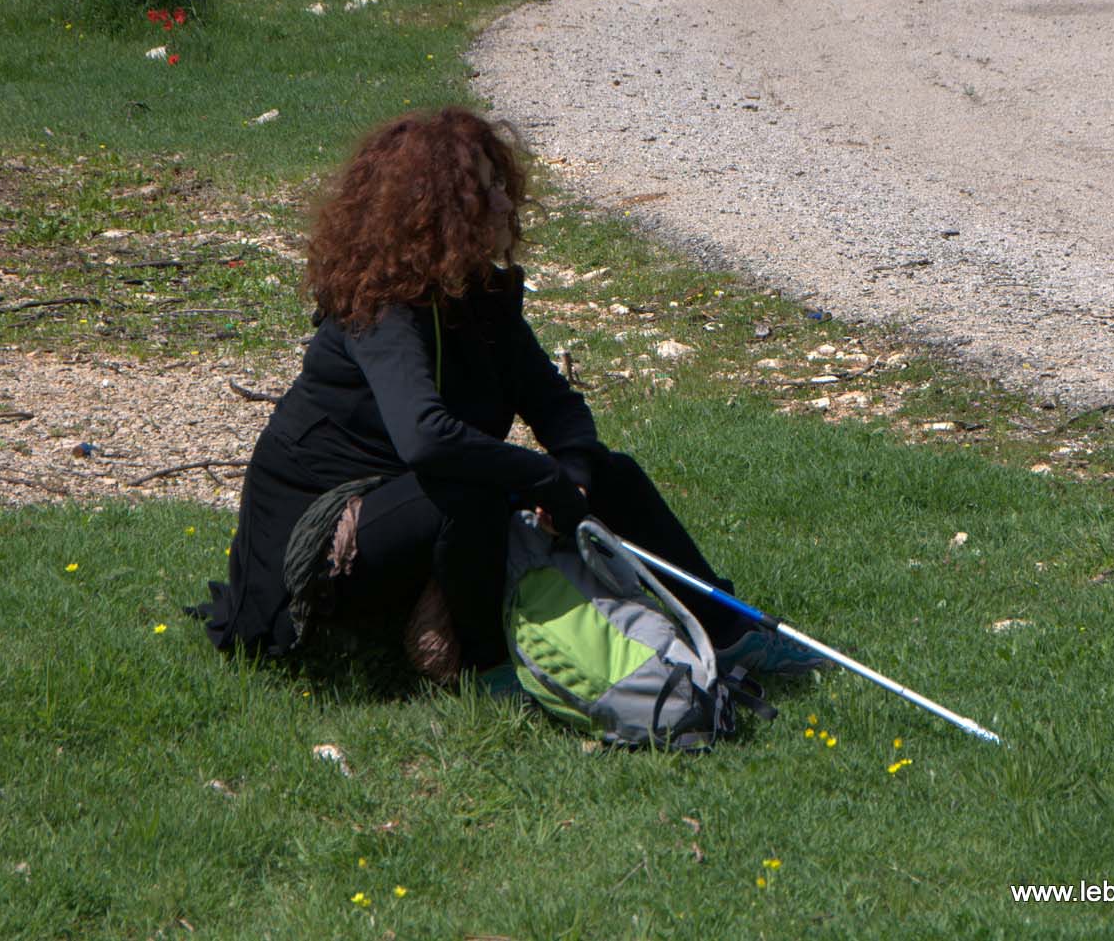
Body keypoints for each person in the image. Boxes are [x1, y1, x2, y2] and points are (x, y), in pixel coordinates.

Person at [195, 107, 818, 681]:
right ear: (441, 212)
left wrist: (572, 469)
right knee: (469, 484)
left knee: (612, 476)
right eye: (486, 190)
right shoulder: (381, 308)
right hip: (323, 540)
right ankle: (485, 667)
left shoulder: (481, 299)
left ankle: (730, 629)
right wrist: (540, 479)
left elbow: (555, 403)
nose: (505, 202)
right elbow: (426, 438)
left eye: (499, 185)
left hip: (405, 509)